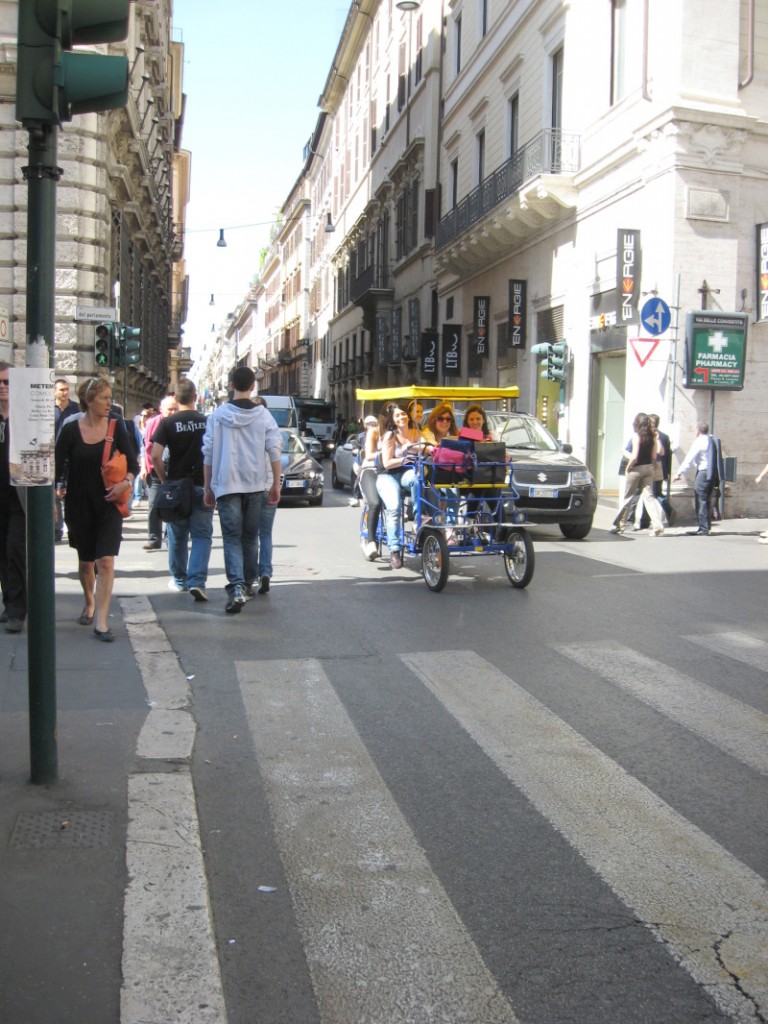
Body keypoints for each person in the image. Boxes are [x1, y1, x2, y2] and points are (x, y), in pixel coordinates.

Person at [54, 376, 138, 642]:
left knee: (106, 561)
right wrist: (52, 502)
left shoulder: (116, 426)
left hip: (109, 503)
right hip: (79, 504)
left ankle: (101, 620)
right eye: (103, 398)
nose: (108, 403)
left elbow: (134, 465)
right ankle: (89, 601)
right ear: (89, 401)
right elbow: (55, 468)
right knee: (86, 561)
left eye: (109, 397)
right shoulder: (70, 430)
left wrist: (125, 484)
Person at [201, 366, 282, 613]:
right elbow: (274, 450)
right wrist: (276, 483)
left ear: (231, 385)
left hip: (226, 484)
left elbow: (208, 453)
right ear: (253, 386)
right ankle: (247, 584)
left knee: (231, 538)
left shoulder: (217, 416)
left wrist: (207, 486)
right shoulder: (264, 416)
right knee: (250, 537)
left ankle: (236, 586)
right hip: (256, 483)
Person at [151, 379, 212, 601]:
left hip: (177, 486)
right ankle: (197, 581)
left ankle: (180, 580)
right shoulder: (207, 422)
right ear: (195, 397)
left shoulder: (168, 423)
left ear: (176, 399)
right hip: (202, 484)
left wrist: (164, 479)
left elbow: (155, 455)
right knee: (202, 535)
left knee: (177, 535)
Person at [375, 403, 426, 569]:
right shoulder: (390, 435)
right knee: (394, 508)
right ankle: (394, 550)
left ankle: (419, 518)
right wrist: (406, 459)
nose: (401, 417)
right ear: (393, 419)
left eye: (403, 414)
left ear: (409, 416)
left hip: (406, 473)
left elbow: (427, 448)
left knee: (418, 478)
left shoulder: (415, 433)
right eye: (397, 416)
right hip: (387, 476)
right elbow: (387, 463)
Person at [0, 362, 26, 633]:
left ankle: (18, 609)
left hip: (19, 497)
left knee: (15, 550)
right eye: (0, 383)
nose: (3, 387)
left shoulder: (24, 418)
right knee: (2, 553)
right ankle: (9, 602)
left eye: (7, 382)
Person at [611, 413, 665, 536]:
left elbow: (634, 457)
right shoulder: (653, 437)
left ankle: (620, 525)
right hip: (648, 468)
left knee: (628, 497)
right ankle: (658, 526)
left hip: (636, 469)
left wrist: (628, 467)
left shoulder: (637, 437)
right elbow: (653, 456)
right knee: (649, 497)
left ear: (637, 424)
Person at [249, 396, 279, 594]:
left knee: (250, 535)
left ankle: (250, 576)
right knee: (265, 533)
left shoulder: (248, 430)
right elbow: (276, 458)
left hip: (252, 488)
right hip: (269, 486)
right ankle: (265, 571)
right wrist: (277, 484)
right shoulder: (274, 430)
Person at [143, 394, 178, 550]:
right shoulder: (153, 423)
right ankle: (154, 538)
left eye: (175, 409)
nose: (172, 412)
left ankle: (169, 537)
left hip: (174, 470)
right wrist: (144, 467)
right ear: (161, 409)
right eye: (169, 409)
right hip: (155, 470)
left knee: (174, 504)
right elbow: (147, 448)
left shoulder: (179, 423)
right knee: (154, 504)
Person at [673, 421, 719, 536]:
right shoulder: (711, 440)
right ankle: (706, 525)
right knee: (706, 500)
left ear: (697, 431)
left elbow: (689, 458)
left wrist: (679, 473)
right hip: (711, 473)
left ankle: (703, 528)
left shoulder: (699, 442)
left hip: (703, 473)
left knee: (701, 500)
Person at [54, 378, 80, 543]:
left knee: (72, 492)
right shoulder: (48, 409)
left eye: (66, 389)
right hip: (54, 455)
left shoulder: (75, 409)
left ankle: (74, 527)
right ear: (54, 391)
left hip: (73, 456)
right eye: (61, 389)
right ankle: (57, 528)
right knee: (55, 493)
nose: (65, 392)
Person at [357, 414, 382, 560]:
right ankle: (371, 541)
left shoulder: (400, 433)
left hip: (389, 472)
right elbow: (368, 454)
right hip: (370, 470)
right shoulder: (371, 433)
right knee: (375, 502)